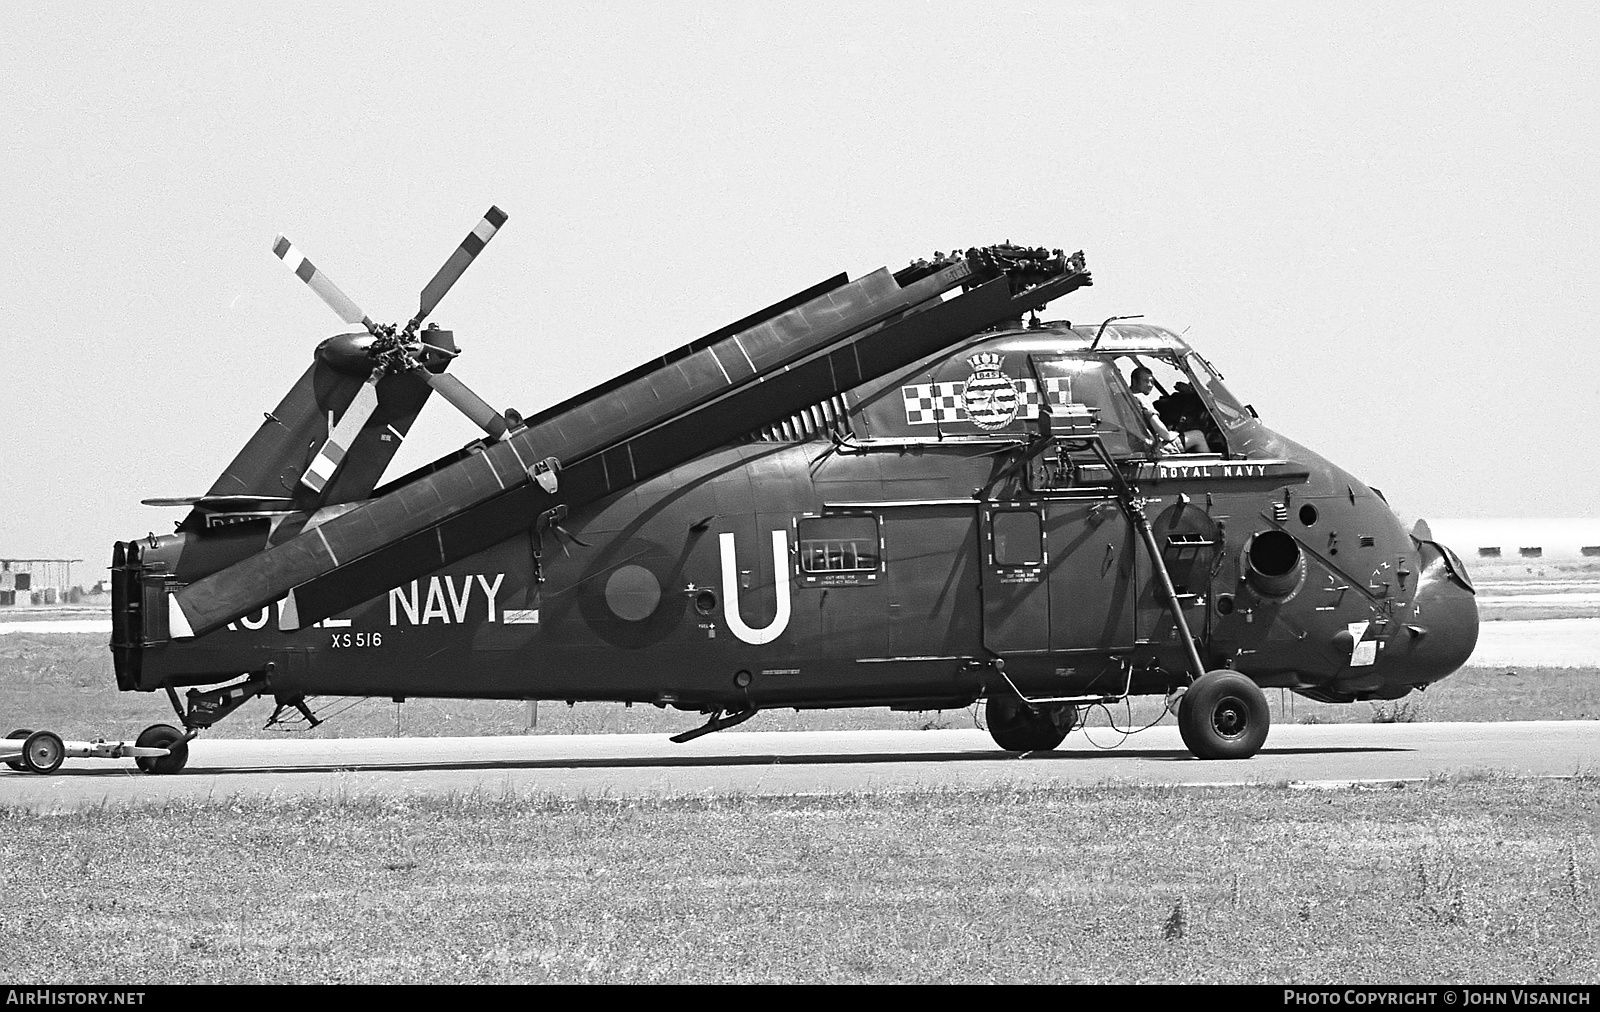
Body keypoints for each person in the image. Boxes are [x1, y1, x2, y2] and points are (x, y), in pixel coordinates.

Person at [1128, 366, 1185, 455]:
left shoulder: (1124, 397)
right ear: (1134, 381)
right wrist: (1169, 435)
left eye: (1152, 382)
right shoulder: (1140, 397)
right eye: (1146, 381)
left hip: (1134, 446)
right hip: (1151, 447)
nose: (1150, 385)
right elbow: (1158, 426)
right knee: (1198, 436)